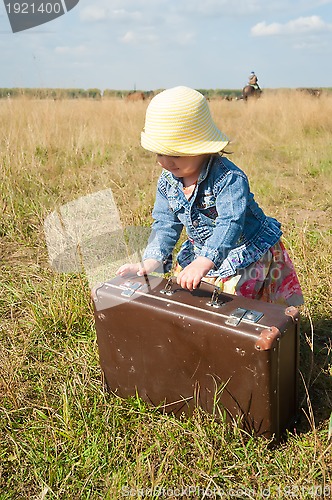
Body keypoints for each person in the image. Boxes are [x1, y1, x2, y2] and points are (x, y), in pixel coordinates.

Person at [116, 86, 303, 306]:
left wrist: (205, 261)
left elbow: (230, 223)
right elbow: (165, 224)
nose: (165, 162)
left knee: (240, 307)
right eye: (159, 153)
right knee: (196, 302)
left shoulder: (229, 178)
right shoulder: (168, 182)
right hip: (202, 252)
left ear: (201, 147)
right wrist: (150, 261)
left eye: (175, 153)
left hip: (244, 253)